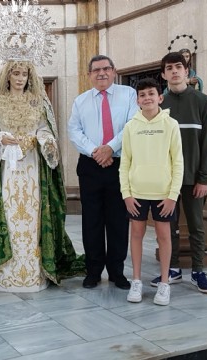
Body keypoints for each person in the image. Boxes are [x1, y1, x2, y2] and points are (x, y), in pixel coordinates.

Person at [0, 60, 79, 294]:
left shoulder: (39, 101)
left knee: (31, 217)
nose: (20, 78)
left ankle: (32, 272)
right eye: (16, 73)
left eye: (24, 74)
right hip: (3, 168)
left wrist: (41, 139)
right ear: (8, 76)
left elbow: (45, 129)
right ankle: (1, 274)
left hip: (32, 169)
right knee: (7, 215)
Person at [68, 55, 138, 290]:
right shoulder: (80, 101)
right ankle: (94, 271)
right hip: (90, 166)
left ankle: (117, 272)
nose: (102, 73)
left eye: (106, 68)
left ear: (114, 71)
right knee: (92, 221)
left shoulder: (128, 94)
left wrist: (110, 148)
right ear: (89, 75)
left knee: (118, 221)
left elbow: (132, 124)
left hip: (119, 164)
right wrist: (96, 151)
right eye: (96, 70)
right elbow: (74, 131)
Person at [150, 52, 207, 293]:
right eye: (170, 68)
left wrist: (203, 178)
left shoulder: (202, 102)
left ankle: (198, 271)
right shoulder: (159, 105)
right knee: (168, 225)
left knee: (197, 225)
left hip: (193, 180)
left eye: (179, 66)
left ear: (187, 71)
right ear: (163, 74)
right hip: (165, 180)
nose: (175, 71)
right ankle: (172, 269)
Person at [120, 78, 183, 306]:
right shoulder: (130, 127)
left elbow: (178, 162)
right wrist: (126, 194)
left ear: (160, 98)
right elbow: (125, 162)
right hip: (137, 192)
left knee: (164, 236)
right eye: (142, 95)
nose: (147, 98)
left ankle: (164, 283)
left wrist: (172, 195)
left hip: (163, 194)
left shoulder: (170, 125)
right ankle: (136, 280)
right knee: (136, 234)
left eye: (151, 94)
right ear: (137, 100)